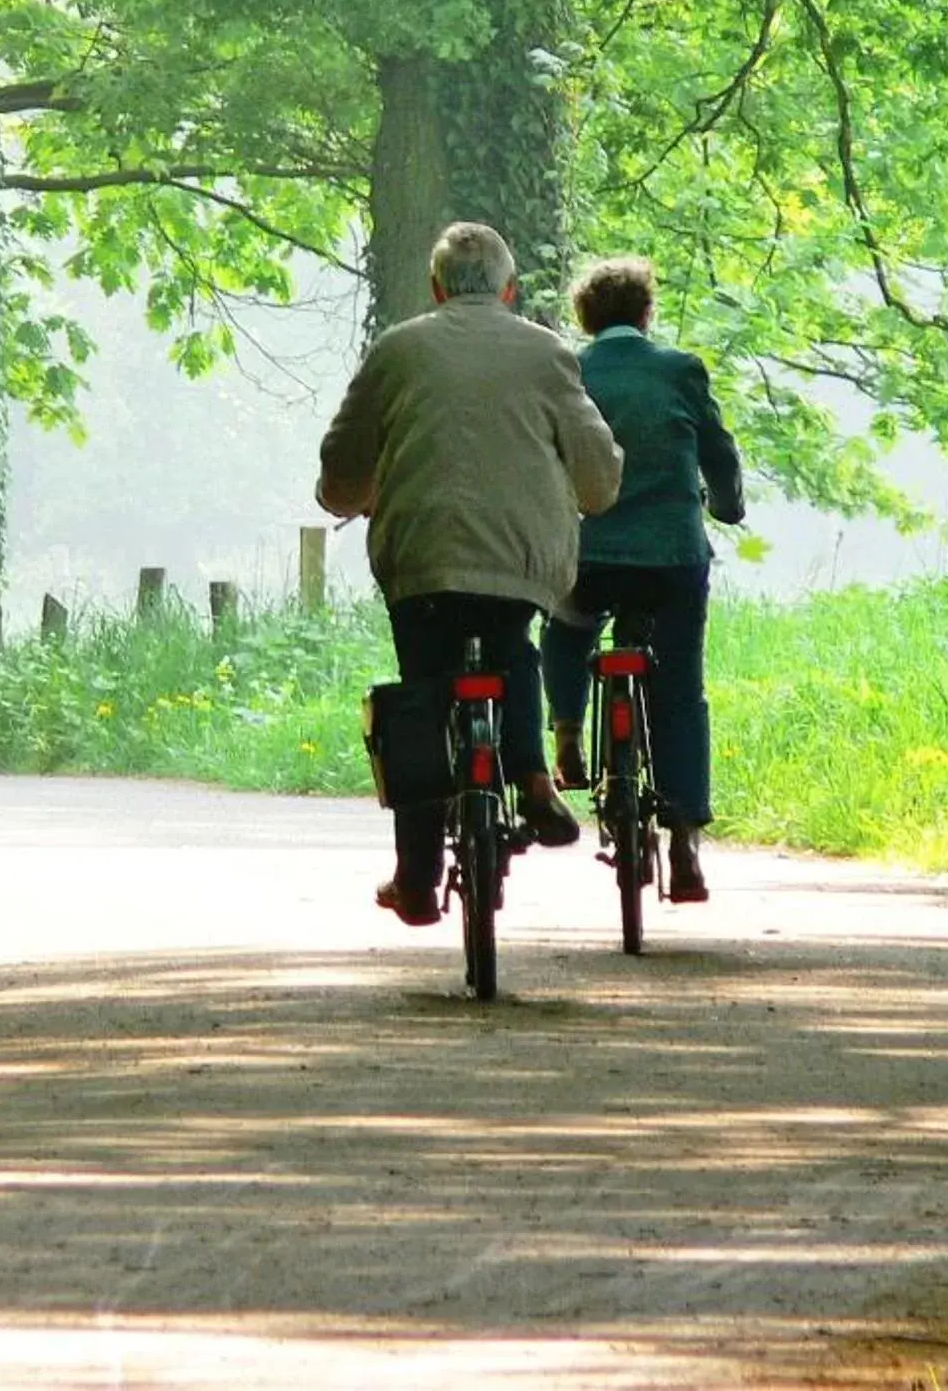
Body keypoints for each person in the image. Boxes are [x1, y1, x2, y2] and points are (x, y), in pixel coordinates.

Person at [317, 221, 624, 926]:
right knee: (512, 647)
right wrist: (590, 492)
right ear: (510, 290)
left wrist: (347, 496)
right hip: (519, 557)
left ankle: (417, 877)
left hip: (421, 556)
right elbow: (596, 470)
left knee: (423, 694)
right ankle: (532, 778)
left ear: (435, 288)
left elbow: (345, 457)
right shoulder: (546, 353)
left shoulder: (397, 350)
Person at [542, 254, 745, 905]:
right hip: (671, 557)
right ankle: (683, 840)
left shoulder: (566, 369)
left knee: (566, 628)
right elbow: (717, 451)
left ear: (583, 317)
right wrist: (726, 506)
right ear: (646, 312)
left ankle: (568, 735)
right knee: (679, 686)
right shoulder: (680, 370)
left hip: (589, 555)